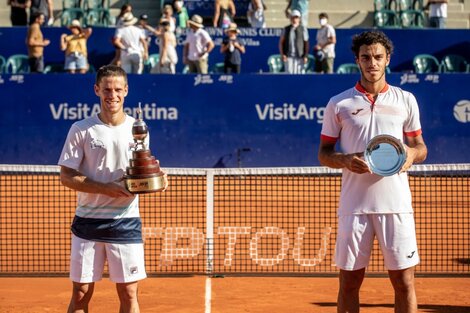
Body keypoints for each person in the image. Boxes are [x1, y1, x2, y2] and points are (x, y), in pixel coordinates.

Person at [318, 30, 428, 313]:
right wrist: (344, 160)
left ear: (387, 59)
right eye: (365, 57)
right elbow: (324, 153)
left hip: (397, 205)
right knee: (350, 283)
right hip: (355, 207)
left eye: (378, 57)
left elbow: (420, 146)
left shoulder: (406, 100)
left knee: (404, 282)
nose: (372, 63)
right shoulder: (338, 103)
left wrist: (411, 155)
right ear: (357, 60)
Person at [59, 65, 166, 313]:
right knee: (81, 292)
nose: (112, 95)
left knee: (129, 293)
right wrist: (104, 189)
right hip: (88, 221)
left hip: (125, 221)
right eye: (107, 89)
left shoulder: (138, 129)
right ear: (97, 90)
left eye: (118, 89)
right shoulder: (81, 129)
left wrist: (157, 178)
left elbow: (139, 172)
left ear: (126, 91)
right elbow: (66, 176)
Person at [278, 10, 309, 74]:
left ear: (299, 19)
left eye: (296, 17)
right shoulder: (286, 29)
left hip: (300, 57)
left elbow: (306, 43)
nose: (294, 19)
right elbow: (281, 42)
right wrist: (282, 54)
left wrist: (305, 56)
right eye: (293, 17)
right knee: (289, 75)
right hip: (289, 57)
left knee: (300, 75)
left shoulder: (303, 29)